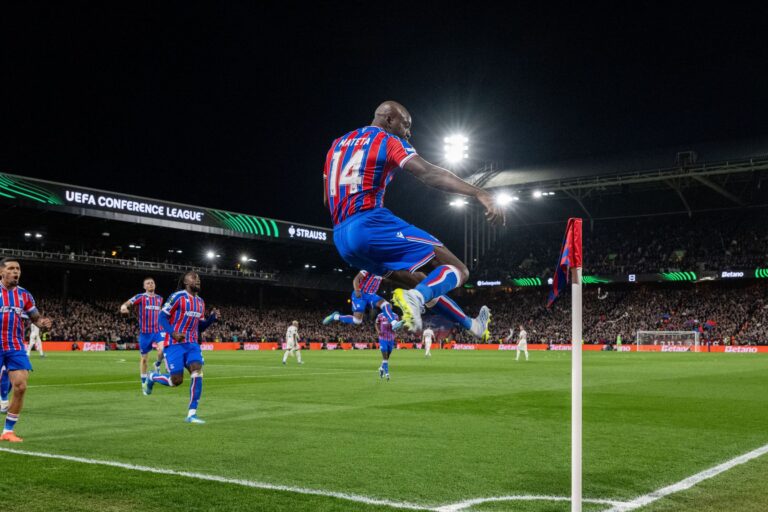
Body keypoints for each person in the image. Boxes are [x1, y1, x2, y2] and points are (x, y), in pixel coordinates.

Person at [324, 101, 503, 334]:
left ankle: (472, 325)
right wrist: (479, 192)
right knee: (457, 269)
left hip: (341, 238)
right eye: (406, 125)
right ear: (389, 120)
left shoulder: (336, 145)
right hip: (369, 223)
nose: (408, 132)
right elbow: (428, 173)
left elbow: (327, 200)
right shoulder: (387, 140)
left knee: (422, 283)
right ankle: (416, 299)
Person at [144, 272, 218, 424]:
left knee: (197, 372)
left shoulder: (200, 302)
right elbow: (162, 317)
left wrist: (211, 318)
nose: (198, 280)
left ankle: (192, 414)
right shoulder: (177, 297)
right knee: (176, 381)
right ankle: (152, 377)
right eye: (194, 278)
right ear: (185, 282)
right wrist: (173, 333)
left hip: (192, 344)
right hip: (174, 344)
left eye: (199, 278)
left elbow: (200, 327)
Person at [0, 258, 52, 442]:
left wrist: (43, 323)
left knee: (21, 386)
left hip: (15, 346)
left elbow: (35, 318)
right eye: (11, 268)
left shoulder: (24, 295)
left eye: (18, 269)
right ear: (1, 272)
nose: (16, 272)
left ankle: (8, 431)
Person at [120, 277, 165, 393]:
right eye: (148, 283)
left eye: (152, 283)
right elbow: (127, 303)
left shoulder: (159, 298)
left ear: (155, 285)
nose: (150, 284)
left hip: (158, 330)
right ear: (144, 286)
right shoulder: (140, 297)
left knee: (163, 349)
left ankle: (157, 364)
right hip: (145, 333)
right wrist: (123, 307)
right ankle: (144, 383)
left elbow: (160, 312)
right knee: (144, 360)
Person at [323, 270, 398, 326]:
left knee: (386, 304)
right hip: (361, 294)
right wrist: (357, 290)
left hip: (371, 295)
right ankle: (335, 316)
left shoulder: (382, 270)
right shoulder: (368, 268)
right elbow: (356, 279)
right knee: (357, 321)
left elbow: (387, 280)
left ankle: (394, 323)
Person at [375, 311, 398, 381]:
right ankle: (387, 374)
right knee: (385, 356)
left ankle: (381, 368)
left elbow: (397, 326)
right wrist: (378, 331)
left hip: (391, 338)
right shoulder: (380, 315)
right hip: (382, 338)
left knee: (387, 356)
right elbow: (376, 323)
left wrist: (397, 328)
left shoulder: (395, 315)